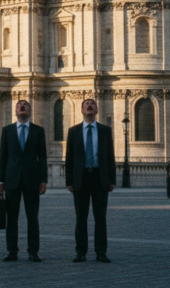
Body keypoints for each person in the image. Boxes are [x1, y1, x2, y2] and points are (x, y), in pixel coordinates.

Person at [64, 98, 116, 263]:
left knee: (100, 217)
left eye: (92, 103)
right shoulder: (73, 131)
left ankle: (101, 252)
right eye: (86, 104)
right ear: (81, 110)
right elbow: (69, 158)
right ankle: (81, 252)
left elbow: (110, 156)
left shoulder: (105, 130)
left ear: (96, 110)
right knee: (81, 218)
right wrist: (69, 181)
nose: (89, 105)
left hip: (99, 177)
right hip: (81, 177)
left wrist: (112, 179)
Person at [0, 99, 48, 262]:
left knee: (32, 217)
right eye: (19, 105)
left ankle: (33, 250)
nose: (22, 106)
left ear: (29, 110)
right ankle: (12, 251)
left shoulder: (38, 131)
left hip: (32, 179)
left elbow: (43, 157)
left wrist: (44, 179)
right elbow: (2, 156)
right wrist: (0, 180)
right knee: (12, 218)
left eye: (25, 105)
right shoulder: (7, 130)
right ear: (16, 111)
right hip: (12, 179)